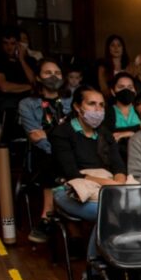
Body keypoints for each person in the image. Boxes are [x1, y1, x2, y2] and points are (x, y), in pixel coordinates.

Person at [49, 85, 127, 259]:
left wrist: (119, 182)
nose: (97, 109)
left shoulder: (105, 133)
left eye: (101, 105)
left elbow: (119, 166)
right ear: (77, 107)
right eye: (92, 104)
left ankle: (121, 260)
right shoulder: (62, 133)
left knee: (132, 208)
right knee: (108, 212)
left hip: (107, 188)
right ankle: (95, 268)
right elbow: (71, 173)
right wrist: (111, 184)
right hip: (70, 190)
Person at [17, 58, 72, 243]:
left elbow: (78, 131)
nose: (53, 77)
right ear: (38, 77)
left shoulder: (72, 100)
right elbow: (35, 137)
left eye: (57, 73)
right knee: (50, 157)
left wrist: (48, 134)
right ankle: (47, 215)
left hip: (72, 150)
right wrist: (60, 144)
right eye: (48, 73)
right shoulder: (26, 104)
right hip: (43, 154)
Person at [0, 26, 36, 143]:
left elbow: (35, 81)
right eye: (5, 43)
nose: (9, 47)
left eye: (13, 43)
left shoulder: (30, 61)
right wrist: (29, 87)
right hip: (7, 100)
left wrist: (22, 60)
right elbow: (4, 87)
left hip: (29, 99)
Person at [106, 71, 141, 160]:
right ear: (113, 92)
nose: (126, 90)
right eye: (121, 87)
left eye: (130, 87)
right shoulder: (107, 112)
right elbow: (109, 135)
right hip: (117, 157)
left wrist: (129, 133)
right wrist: (138, 129)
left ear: (135, 91)